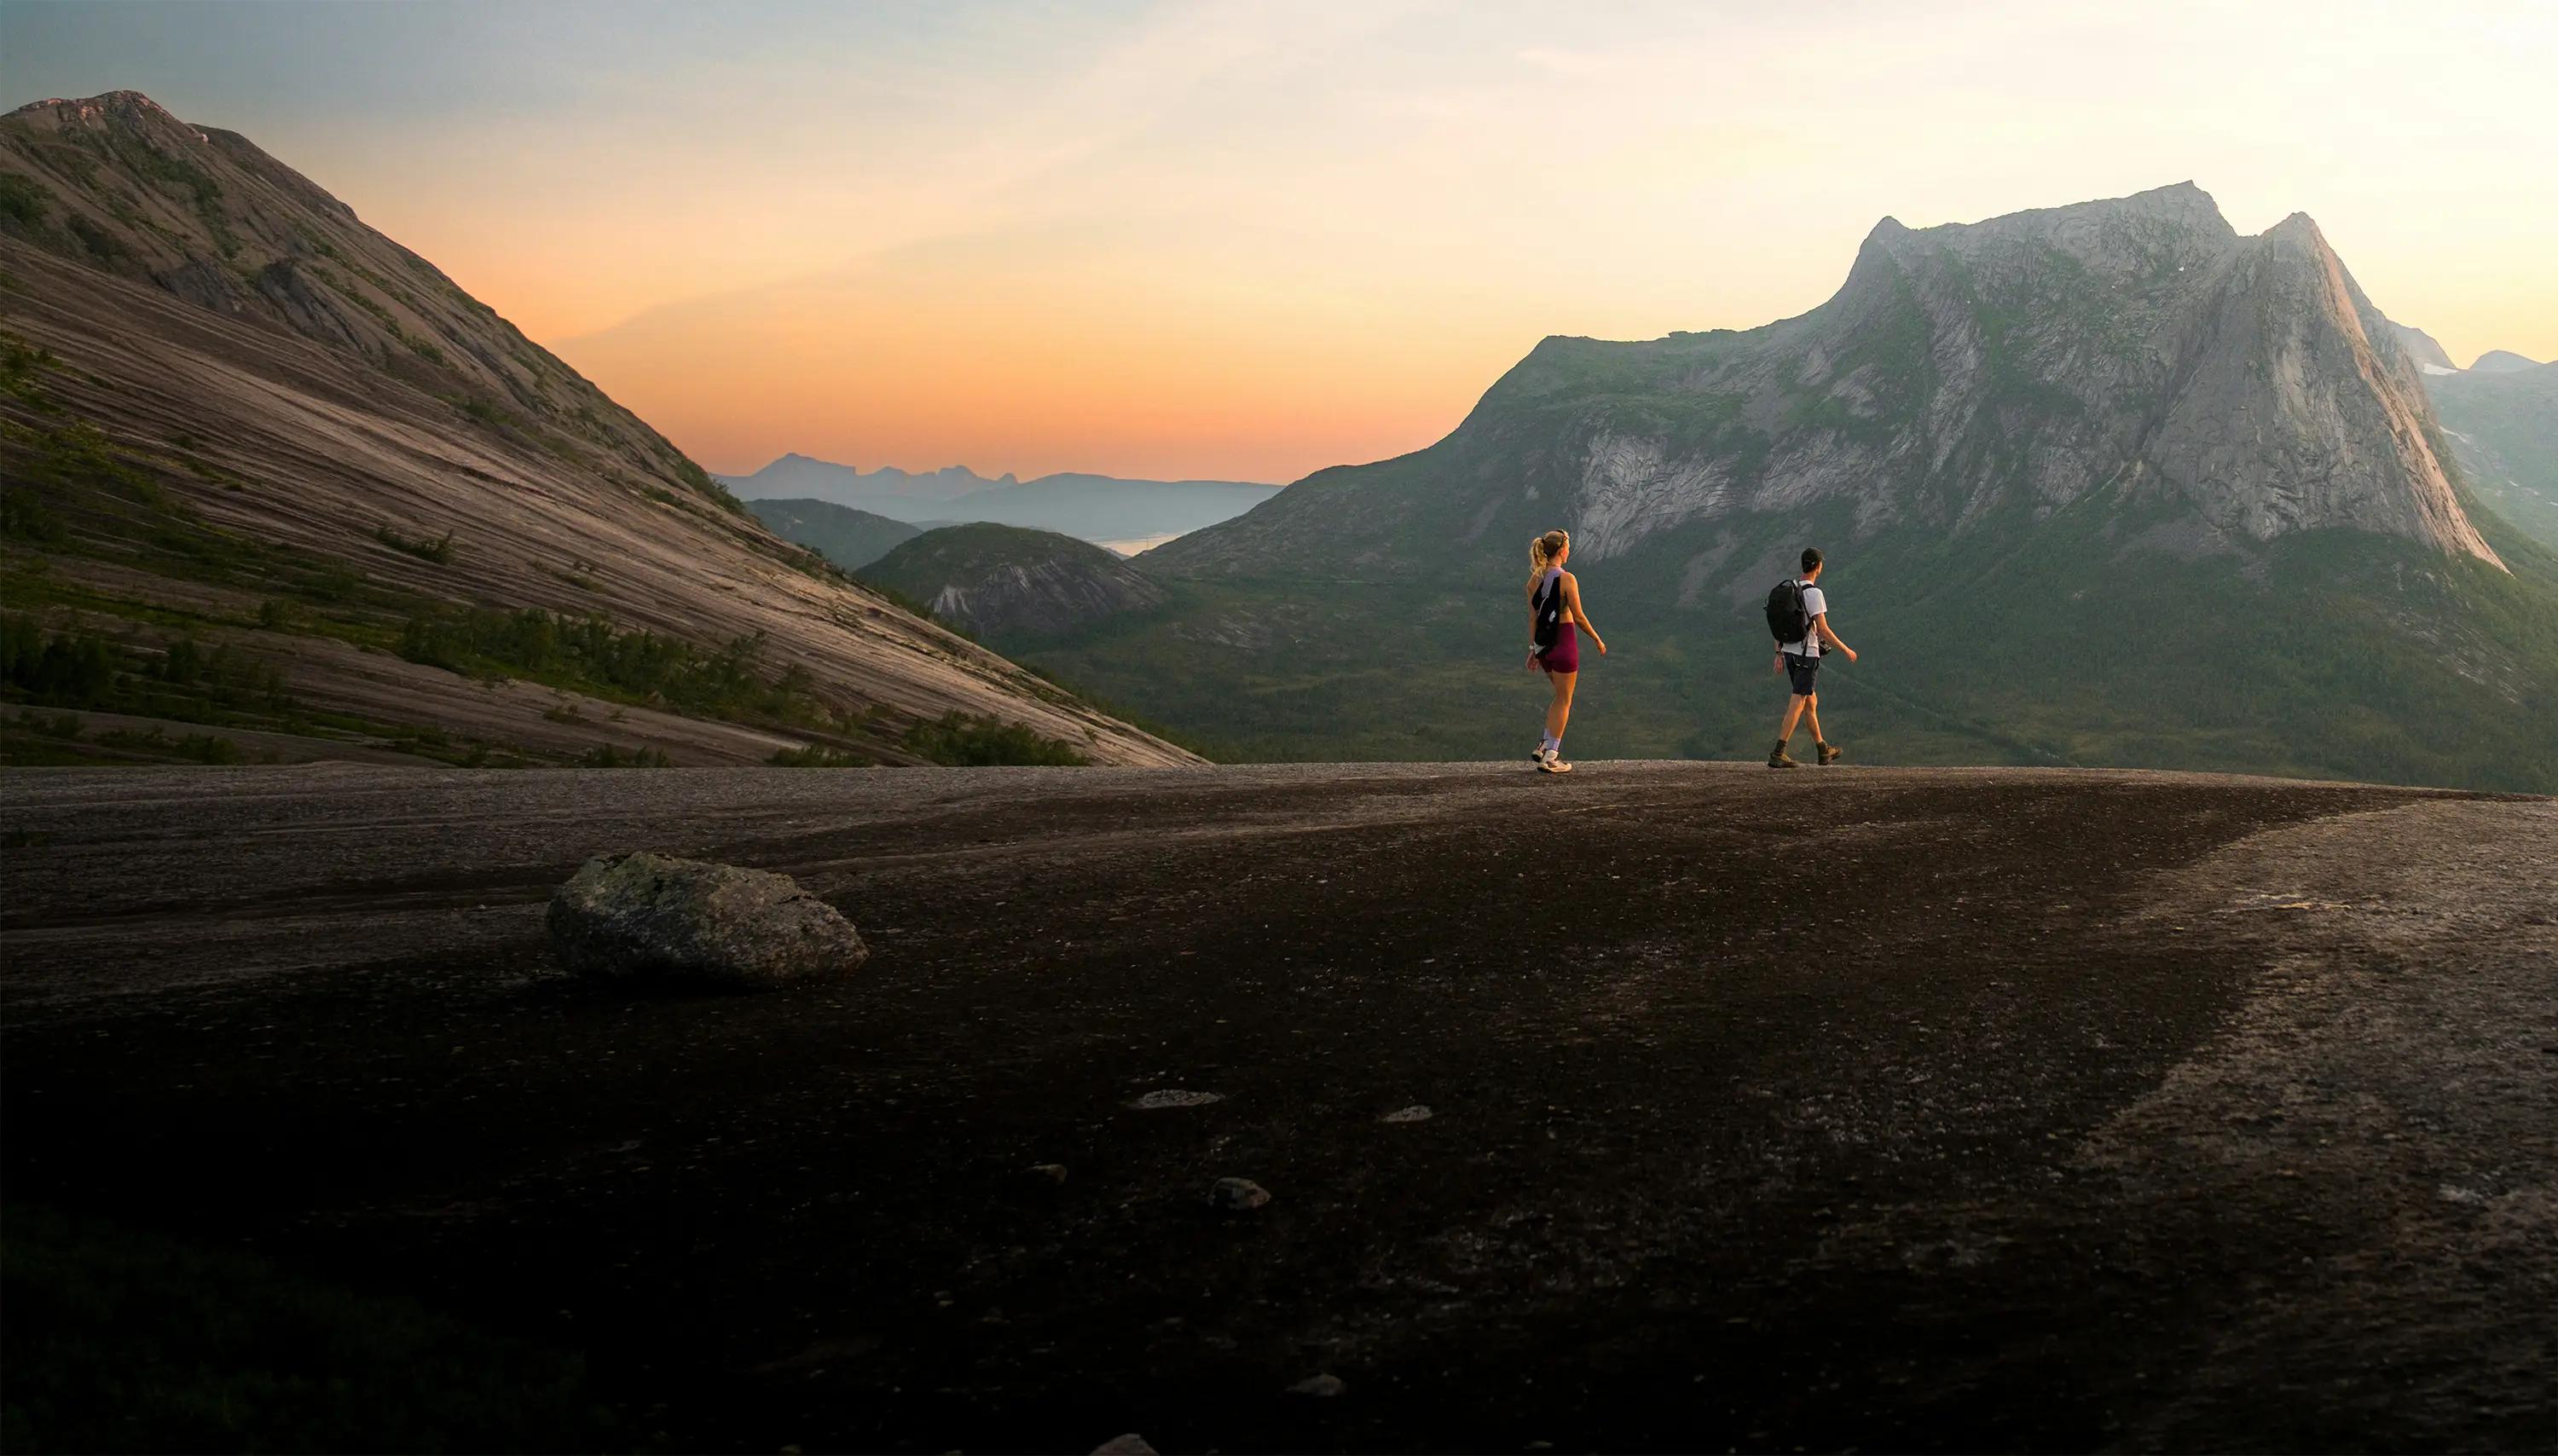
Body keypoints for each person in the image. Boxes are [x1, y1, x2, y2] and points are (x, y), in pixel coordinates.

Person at [1525, 529, 1606, 773]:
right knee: (1565, 700)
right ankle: (1552, 756)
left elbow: (1533, 618)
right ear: (1561, 550)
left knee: (1560, 696)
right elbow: (1578, 617)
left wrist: (1533, 649)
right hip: (1564, 643)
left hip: (1543, 647)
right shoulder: (1567, 579)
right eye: (1568, 546)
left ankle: (1544, 745)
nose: (1570, 550)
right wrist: (1597, 638)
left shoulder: (1533, 581)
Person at [1769, 546, 1856, 769]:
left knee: (1810, 701)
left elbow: (1779, 624)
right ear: (1818, 567)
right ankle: (1778, 752)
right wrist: (1846, 649)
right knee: (1798, 701)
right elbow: (1823, 630)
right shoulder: (1814, 593)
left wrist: (1778, 653)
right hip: (1806, 655)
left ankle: (1822, 749)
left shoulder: (1791, 589)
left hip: (1790, 653)